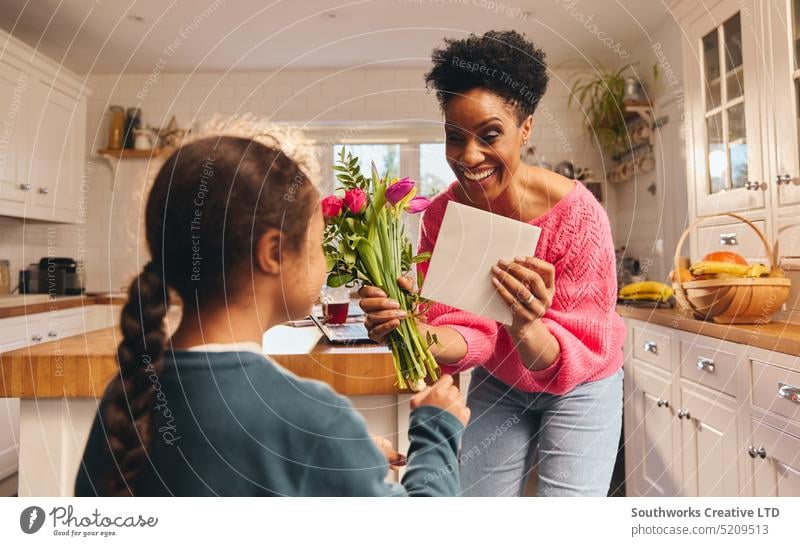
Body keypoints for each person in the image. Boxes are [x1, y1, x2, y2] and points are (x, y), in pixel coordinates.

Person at [75, 134, 469, 496]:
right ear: (274, 253)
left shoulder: (127, 397)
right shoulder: (313, 418)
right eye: (317, 245)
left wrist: (340, 458)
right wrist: (436, 431)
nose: (325, 259)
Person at [359, 30, 626, 496]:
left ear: (525, 128)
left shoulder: (579, 217)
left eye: (490, 135)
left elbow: (579, 348)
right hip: (501, 381)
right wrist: (416, 333)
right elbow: (468, 332)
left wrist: (526, 325)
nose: (469, 157)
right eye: (454, 138)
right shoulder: (445, 215)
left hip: (582, 384)